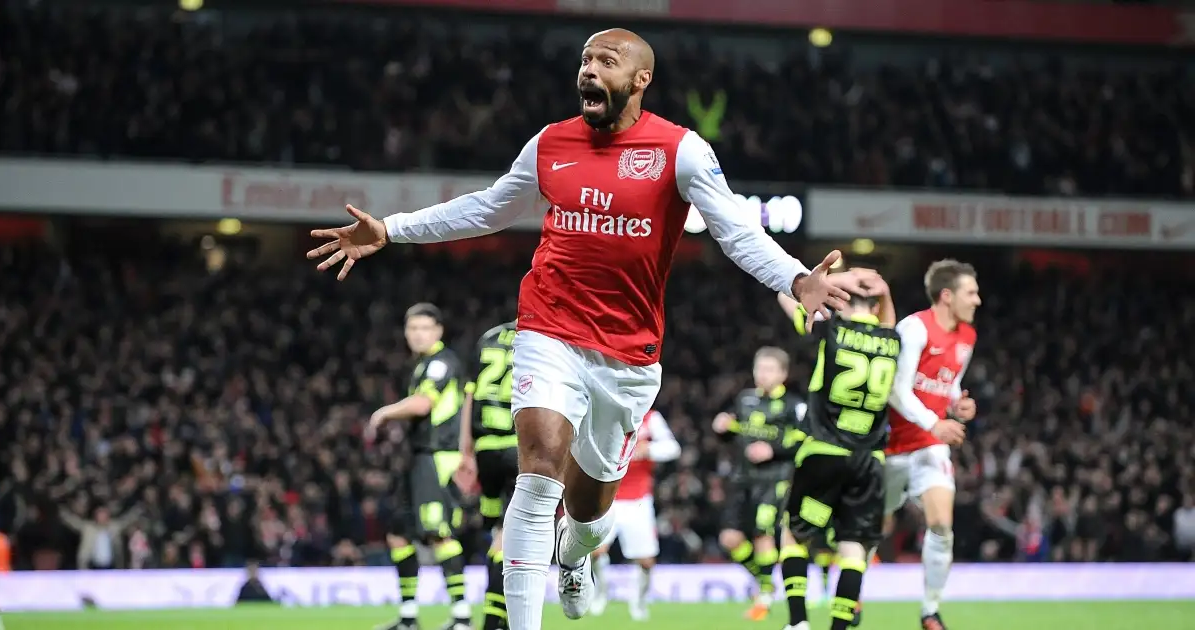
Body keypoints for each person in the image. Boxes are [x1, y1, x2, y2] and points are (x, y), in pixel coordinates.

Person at [306, 27, 869, 630]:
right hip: (548, 328)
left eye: (607, 61)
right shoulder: (551, 143)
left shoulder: (679, 150)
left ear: (640, 79)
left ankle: (575, 554)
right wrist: (392, 229)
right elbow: (488, 206)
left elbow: (735, 229)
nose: (589, 70)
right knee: (540, 466)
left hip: (628, 358)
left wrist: (795, 279)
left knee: (590, 509)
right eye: (585, 60)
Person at [750, 273, 906, 630]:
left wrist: (834, 278)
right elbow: (888, 320)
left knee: (794, 535)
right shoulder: (891, 339)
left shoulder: (831, 329)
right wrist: (885, 288)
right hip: (869, 460)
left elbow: (787, 295)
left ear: (841, 300)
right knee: (853, 548)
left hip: (823, 452)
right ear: (878, 305)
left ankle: (798, 622)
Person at [884, 260, 979, 630]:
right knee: (875, 528)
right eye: (971, 292)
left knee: (941, 525)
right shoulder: (914, 328)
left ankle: (930, 610)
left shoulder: (967, 337)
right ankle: (852, 592)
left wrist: (957, 404)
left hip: (929, 445)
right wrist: (936, 421)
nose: (978, 300)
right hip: (891, 445)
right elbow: (896, 388)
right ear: (947, 295)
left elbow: (946, 382)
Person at [369, 303, 471, 630]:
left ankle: (462, 616)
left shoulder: (442, 364)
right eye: (412, 328)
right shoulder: (422, 365)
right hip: (417, 458)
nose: (417, 334)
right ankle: (409, 617)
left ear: (438, 330)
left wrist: (384, 412)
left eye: (424, 328)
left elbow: (424, 403)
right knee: (398, 535)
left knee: (437, 532)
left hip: (437, 457)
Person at [711, 347, 806, 621]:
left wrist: (773, 450)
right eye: (759, 368)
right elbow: (736, 434)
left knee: (762, 534)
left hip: (775, 479)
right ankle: (766, 582)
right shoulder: (744, 400)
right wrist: (723, 429)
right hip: (742, 479)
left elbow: (803, 440)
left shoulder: (793, 405)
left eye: (768, 369)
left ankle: (763, 598)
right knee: (729, 538)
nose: (761, 374)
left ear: (783, 374)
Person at [455, 321, 520, 630]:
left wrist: (465, 450)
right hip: (522, 448)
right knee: (512, 538)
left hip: (485, 450)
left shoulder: (488, 336)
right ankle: (495, 619)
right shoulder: (544, 334)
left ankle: (497, 612)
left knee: (495, 530)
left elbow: (469, 396)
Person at [589, 408, 681, 621]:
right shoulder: (605, 412)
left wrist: (649, 449)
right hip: (607, 497)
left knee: (646, 561)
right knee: (596, 551)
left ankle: (639, 600)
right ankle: (600, 593)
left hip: (639, 500)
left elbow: (673, 448)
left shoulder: (651, 418)